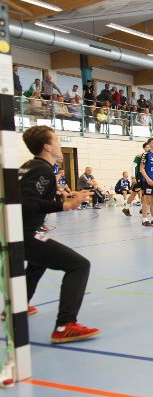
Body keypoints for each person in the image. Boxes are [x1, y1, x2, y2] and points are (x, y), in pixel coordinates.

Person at [19, 126, 99, 343]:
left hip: (21, 231)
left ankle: (18, 305)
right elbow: (25, 202)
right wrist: (66, 205)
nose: (59, 143)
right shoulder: (42, 170)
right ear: (47, 146)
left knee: (38, 262)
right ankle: (65, 325)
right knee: (79, 265)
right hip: (23, 234)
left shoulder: (29, 166)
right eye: (56, 140)